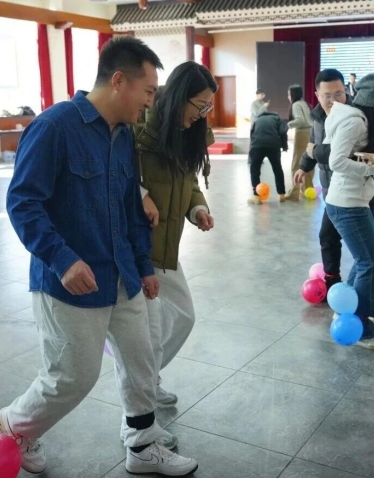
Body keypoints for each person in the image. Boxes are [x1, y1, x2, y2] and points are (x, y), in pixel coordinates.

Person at [2, 37, 198, 476]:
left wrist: (144, 267)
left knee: (141, 360)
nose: (151, 103)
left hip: (123, 273)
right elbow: (23, 203)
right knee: (72, 377)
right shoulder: (54, 127)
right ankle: (16, 424)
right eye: (148, 91)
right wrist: (62, 259)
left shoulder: (123, 136)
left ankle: (142, 446)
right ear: (119, 81)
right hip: (70, 281)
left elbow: (129, 206)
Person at [128, 62, 216, 450]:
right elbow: (119, 175)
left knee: (183, 316)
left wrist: (197, 209)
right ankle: (140, 413)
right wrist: (140, 194)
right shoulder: (139, 129)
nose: (202, 113)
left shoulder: (186, 133)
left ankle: (146, 377)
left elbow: (189, 180)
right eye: (199, 105)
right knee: (143, 334)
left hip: (167, 247)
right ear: (180, 97)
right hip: (138, 248)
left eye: (208, 107)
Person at [294, 69, 374, 318]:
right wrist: (306, 162)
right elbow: (332, 156)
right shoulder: (326, 117)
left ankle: (364, 302)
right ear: (317, 95)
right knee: (360, 253)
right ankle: (345, 299)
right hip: (341, 194)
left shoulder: (354, 117)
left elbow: (335, 153)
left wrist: (317, 151)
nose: (334, 100)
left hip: (358, 194)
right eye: (328, 95)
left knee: (366, 255)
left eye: (339, 93)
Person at [324, 72, 374, 350]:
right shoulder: (355, 121)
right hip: (347, 203)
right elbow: (336, 162)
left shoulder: (355, 118)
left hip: (352, 201)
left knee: (363, 260)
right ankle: (362, 328)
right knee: (370, 263)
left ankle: (347, 312)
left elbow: (351, 156)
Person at [248, 107, 288, 204]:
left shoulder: (257, 119)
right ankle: (281, 194)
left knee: (255, 170)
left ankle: (257, 197)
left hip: (257, 145)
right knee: (277, 169)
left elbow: (252, 134)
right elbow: (283, 131)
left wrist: (251, 150)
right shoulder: (277, 119)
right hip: (273, 145)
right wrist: (284, 146)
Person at [284, 84, 313, 201]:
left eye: (289, 94)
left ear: (293, 94)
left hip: (302, 134)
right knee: (308, 162)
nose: (288, 97)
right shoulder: (304, 103)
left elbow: (300, 120)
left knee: (296, 163)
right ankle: (307, 190)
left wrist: (288, 124)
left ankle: (294, 193)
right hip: (311, 133)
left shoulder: (296, 104)